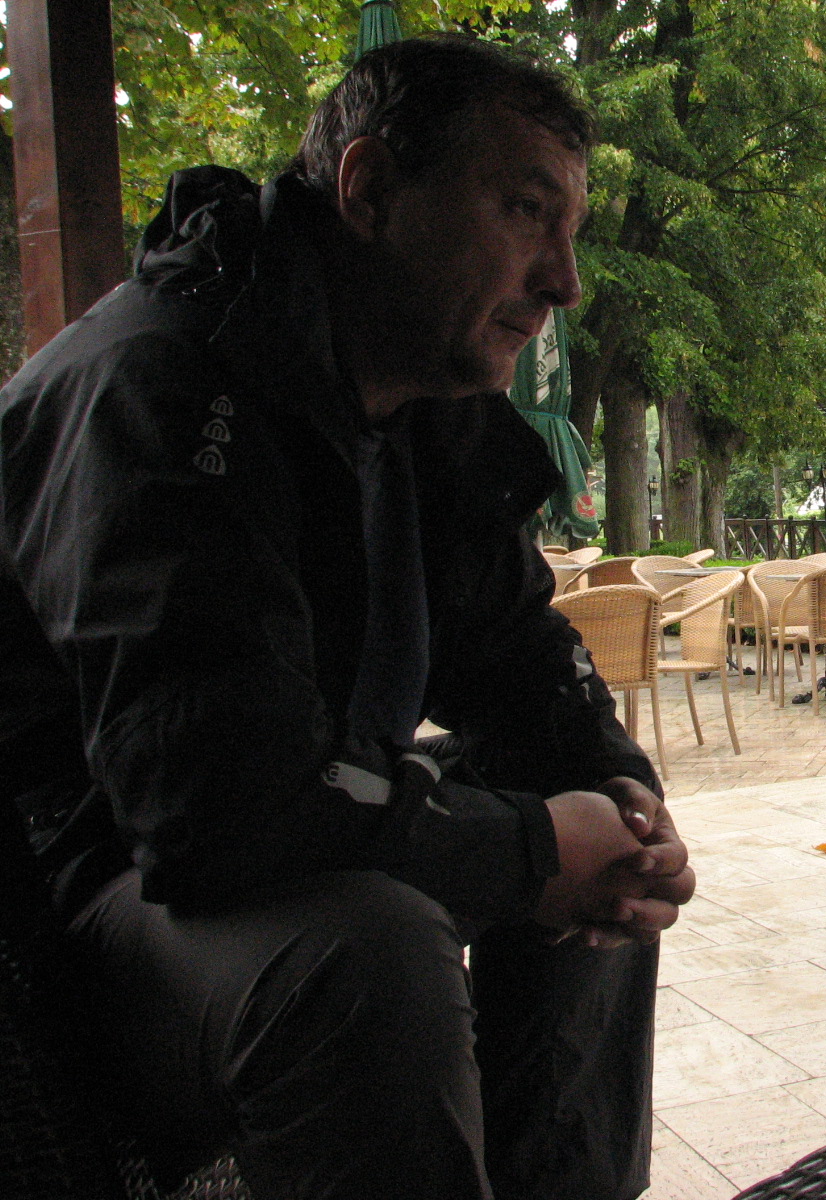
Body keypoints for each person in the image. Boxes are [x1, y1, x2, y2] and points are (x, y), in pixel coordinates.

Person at [0, 36, 691, 1200]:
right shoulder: (163, 388)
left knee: (599, 866)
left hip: (253, 835)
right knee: (368, 951)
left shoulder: (424, 408)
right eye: (527, 212)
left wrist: (618, 794)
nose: (565, 281)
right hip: (70, 922)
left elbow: (522, 656)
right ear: (368, 191)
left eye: (570, 231)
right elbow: (210, 804)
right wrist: (529, 846)